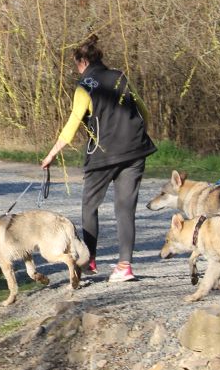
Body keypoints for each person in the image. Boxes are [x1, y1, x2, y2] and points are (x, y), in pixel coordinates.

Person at [41, 34, 156, 283]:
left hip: (103, 155)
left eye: (76, 65)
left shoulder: (85, 86)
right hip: (135, 150)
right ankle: (124, 267)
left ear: (82, 61)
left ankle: (88, 258)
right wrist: (137, 136)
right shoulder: (120, 77)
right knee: (125, 209)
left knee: (89, 205)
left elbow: (72, 125)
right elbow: (143, 111)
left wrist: (51, 154)